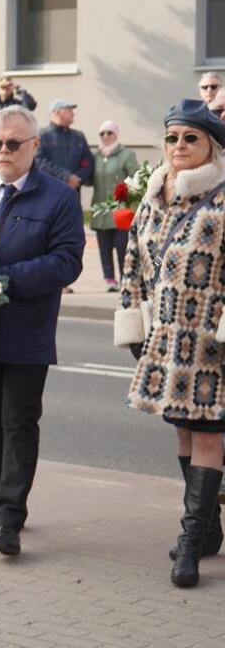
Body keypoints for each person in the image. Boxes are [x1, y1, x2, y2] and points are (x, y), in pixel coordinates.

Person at [0, 105, 85, 557]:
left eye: (12, 143)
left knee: (18, 425)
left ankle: (10, 516)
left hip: (26, 333)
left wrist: (2, 280)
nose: (2, 151)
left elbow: (67, 261)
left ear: (34, 145)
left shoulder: (58, 198)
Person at [114, 99, 225, 588]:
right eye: (173, 138)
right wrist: (135, 328)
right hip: (165, 343)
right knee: (182, 432)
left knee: (207, 435)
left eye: (191, 138)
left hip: (212, 344)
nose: (179, 147)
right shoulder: (153, 195)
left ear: (212, 146)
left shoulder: (222, 198)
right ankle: (208, 530)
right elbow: (133, 268)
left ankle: (190, 546)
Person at [89, 120, 138, 292]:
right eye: (101, 133)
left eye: (109, 132)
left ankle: (126, 278)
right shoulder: (95, 157)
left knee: (122, 246)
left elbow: (136, 177)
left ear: (116, 134)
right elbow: (88, 179)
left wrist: (128, 194)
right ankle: (109, 279)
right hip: (101, 209)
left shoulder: (126, 155)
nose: (105, 136)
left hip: (120, 210)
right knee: (104, 247)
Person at [35, 99, 92, 194]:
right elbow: (39, 162)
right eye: (69, 110)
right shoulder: (41, 136)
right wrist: (66, 177)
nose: (73, 114)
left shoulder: (78, 137)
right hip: (49, 193)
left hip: (74, 193)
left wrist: (77, 179)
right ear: (57, 112)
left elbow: (87, 162)